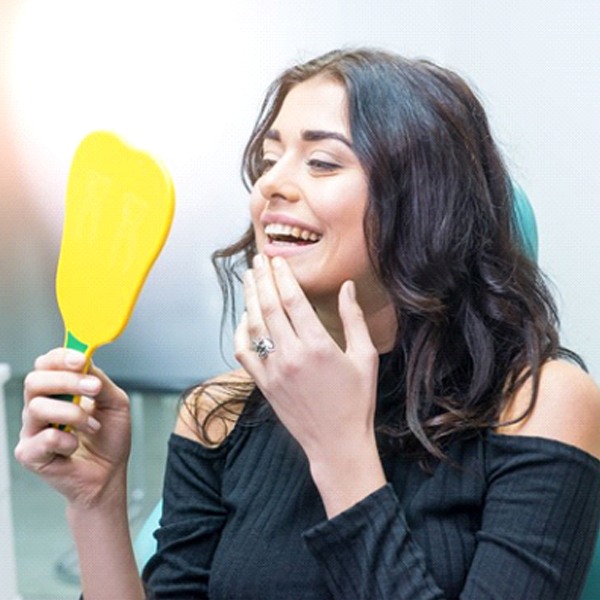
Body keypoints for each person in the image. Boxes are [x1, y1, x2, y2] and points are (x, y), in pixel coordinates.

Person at [15, 47, 600, 599]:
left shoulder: (537, 404)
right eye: (270, 160)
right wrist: (96, 502)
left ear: (427, 202)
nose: (271, 184)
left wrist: (339, 450)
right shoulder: (216, 413)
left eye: (322, 161)